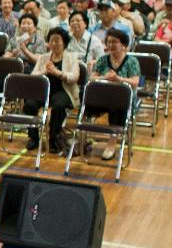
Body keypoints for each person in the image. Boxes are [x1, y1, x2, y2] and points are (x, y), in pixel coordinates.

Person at [26, 27, 79, 153]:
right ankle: (33, 137)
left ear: (64, 42)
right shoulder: (43, 58)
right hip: (44, 91)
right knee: (29, 105)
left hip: (64, 91)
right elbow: (33, 76)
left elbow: (74, 77)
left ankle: (54, 138)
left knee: (59, 105)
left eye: (57, 40)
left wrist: (57, 72)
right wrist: (45, 71)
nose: (54, 43)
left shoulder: (72, 58)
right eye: (51, 40)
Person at [90, 28, 141, 159]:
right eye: (109, 42)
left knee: (117, 107)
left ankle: (112, 142)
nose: (111, 45)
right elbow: (91, 78)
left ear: (123, 44)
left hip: (123, 100)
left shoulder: (132, 61)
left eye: (115, 42)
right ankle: (84, 137)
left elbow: (135, 82)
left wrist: (119, 79)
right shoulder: (102, 60)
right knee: (86, 100)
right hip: (104, 97)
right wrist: (104, 78)